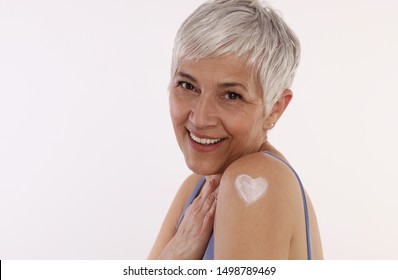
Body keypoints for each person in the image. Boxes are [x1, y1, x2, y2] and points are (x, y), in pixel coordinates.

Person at [148, 0, 323, 260]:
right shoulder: (195, 189)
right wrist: (174, 255)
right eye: (187, 85)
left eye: (231, 95)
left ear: (275, 108)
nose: (200, 117)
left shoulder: (255, 180)